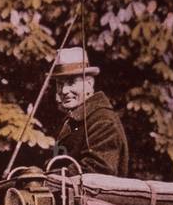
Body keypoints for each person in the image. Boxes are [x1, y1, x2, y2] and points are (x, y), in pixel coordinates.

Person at [51, 47, 129, 176]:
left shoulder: (103, 120)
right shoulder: (72, 120)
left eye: (71, 82)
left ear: (89, 83)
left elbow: (98, 170)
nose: (64, 91)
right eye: (60, 84)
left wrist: (47, 178)